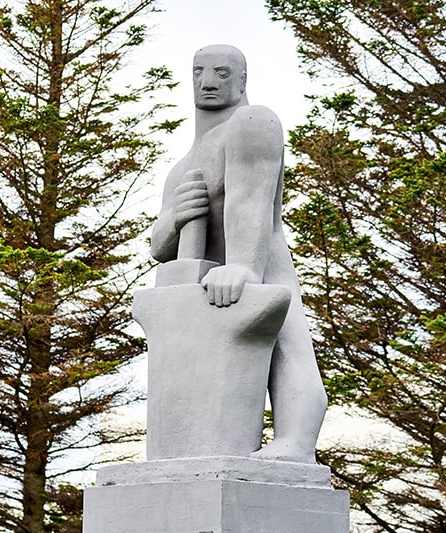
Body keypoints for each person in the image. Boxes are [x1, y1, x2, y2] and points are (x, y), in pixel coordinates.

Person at [150, 44, 327, 464]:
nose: (208, 82)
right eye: (199, 71)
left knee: (286, 346)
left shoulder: (252, 123)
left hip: (261, 268)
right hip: (202, 290)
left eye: (222, 73)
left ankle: (297, 441)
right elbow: (159, 248)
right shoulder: (181, 168)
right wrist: (176, 217)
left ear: (243, 80)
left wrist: (244, 267)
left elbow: (251, 198)